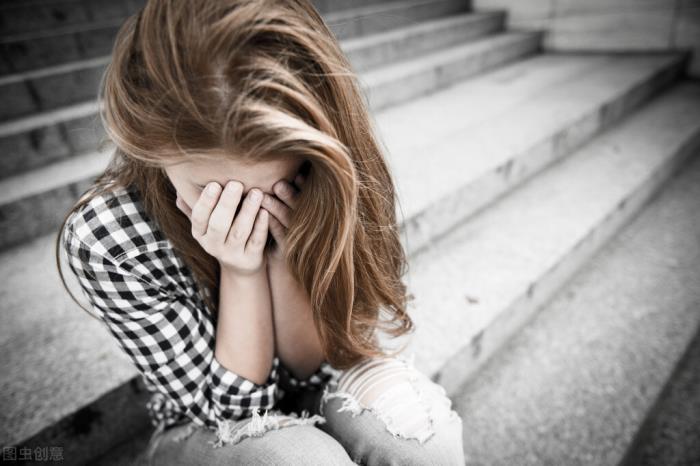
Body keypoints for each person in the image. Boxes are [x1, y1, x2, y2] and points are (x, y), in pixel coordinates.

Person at [55, 1, 465, 464]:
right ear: (145, 142)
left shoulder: (326, 173)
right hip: (206, 427)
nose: (246, 214)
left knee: (421, 441)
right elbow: (234, 413)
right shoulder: (109, 236)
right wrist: (240, 271)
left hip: (320, 381)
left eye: (272, 189)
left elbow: (313, 366)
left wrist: (285, 259)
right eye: (213, 192)